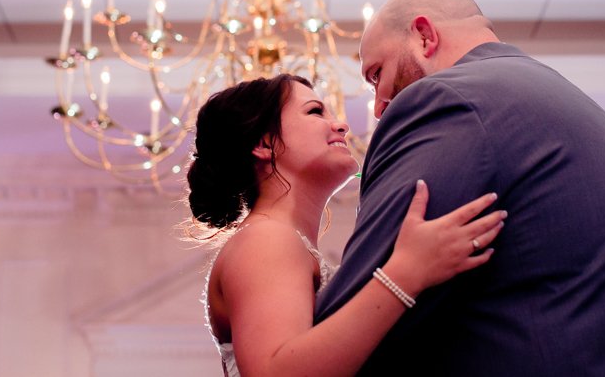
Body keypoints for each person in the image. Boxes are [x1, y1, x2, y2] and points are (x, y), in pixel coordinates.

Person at [314, 0, 605, 376]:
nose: (377, 108)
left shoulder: (445, 100)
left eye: (377, 74)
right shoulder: (567, 102)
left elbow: (351, 330)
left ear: (424, 36)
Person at [184, 73, 506, 377]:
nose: (342, 125)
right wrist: (408, 271)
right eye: (315, 112)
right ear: (265, 144)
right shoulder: (266, 240)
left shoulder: (279, 239)